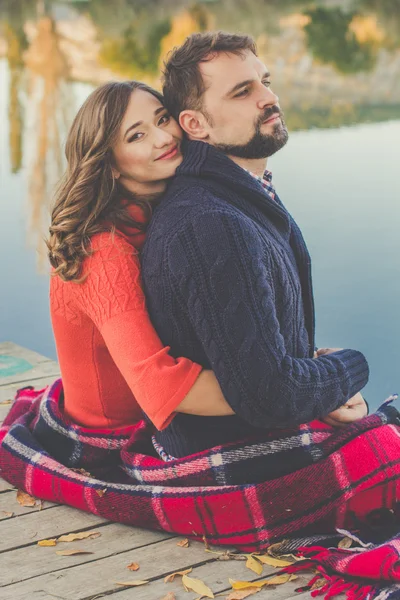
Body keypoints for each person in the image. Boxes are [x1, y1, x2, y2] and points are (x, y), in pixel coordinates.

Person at [140, 31, 370, 458]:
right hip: (241, 454)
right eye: (243, 92)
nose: (268, 97)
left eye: (264, 81)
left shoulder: (238, 194)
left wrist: (319, 379)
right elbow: (268, 397)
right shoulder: (211, 224)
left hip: (264, 435)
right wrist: (352, 367)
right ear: (196, 124)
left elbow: (265, 366)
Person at [47, 80, 234, 431]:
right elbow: (160, 385)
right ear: (111, 164)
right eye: (136, 136)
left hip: (181, 422)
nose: (164, 138)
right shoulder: (104, 251)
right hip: (116, 441)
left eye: (163, 119)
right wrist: (290, 394)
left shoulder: (172, 213)